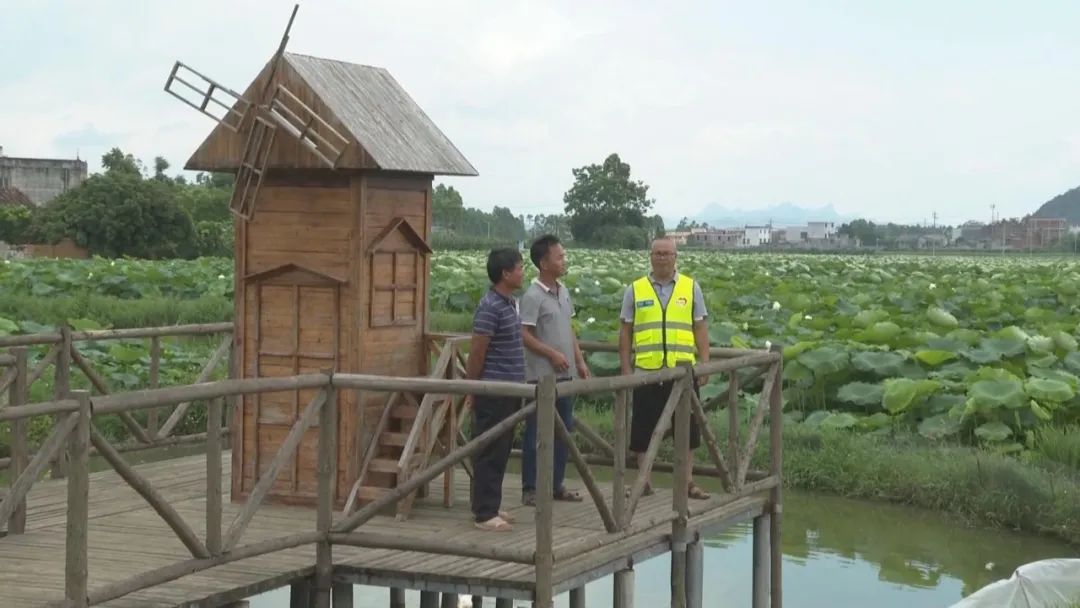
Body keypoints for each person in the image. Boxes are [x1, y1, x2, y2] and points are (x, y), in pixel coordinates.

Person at [618, 236, 712, 500]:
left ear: (675, 257)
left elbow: (700, 327)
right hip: (647, 370)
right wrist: (626, 367)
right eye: (657, 253)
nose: (662, 258)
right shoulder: (635, 289)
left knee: (688, 430)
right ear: (650, 257)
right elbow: (625, 330)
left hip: (682, 373)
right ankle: (643, 481)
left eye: (667, 254)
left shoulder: (691, 287)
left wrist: (705, 364)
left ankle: (687, 482)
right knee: (643, 429)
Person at [519, 234, 590, 506]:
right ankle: (530, 488)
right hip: (540, 377)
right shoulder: (533, 295)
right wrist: (551, 353)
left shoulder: (564, 291)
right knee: (536, 433)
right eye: (559, 257)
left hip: (565, 374)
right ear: (543, 263)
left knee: (564, 431)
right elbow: (524, 334)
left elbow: (568, 329)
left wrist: (579, 361)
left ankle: (556, 484)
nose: (564, 260)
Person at [464, 247, 527, 531]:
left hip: (511, 389)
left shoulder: (511, 302)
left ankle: (491, 503)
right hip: (494, 388)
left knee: (501, 449)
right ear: (505, 273)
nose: (523, 272)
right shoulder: (489, 306)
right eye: (520, 267)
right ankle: (484, 513)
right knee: (488, 449)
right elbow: (477, 351)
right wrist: (472, 387)